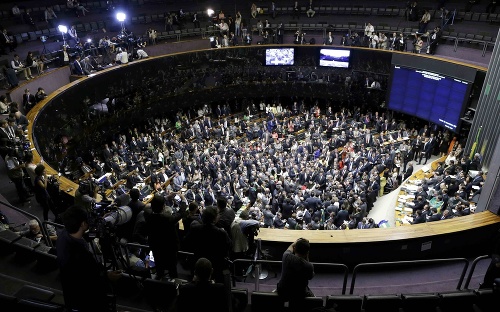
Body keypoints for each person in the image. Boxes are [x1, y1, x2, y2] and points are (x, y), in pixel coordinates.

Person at [56, 205, 122, 312]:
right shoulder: (81, 255)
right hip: (87, 301)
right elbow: (91, 279)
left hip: (70, 295)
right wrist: (107, 276)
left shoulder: (63, 236)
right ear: (82, 224)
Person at [184, 205, 232, 284]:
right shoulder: (221, 232)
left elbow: (186, 243)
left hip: (198, 262)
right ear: (215, 218)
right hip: (216, 265)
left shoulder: (195, 229)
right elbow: (229, 246)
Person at [145, 193, 187, 280]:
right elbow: (182, 212)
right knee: (172, 270)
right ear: (164, 207)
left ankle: (159, 282)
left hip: (156, 247)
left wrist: (164, 198)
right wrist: (183, 199)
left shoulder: (148, 215)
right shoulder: (168, 219)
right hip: (169, 249)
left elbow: (148, 206)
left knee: (159, 268)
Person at [276, 238, 315, 303]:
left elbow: (290, 247)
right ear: (307, 253)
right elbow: (311, 277)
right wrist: (307, 257)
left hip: (282, 291)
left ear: (294, 248)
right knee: (314, 299)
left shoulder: (286, 257)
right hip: (299, 294)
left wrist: (296, 241)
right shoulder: (309, 266)